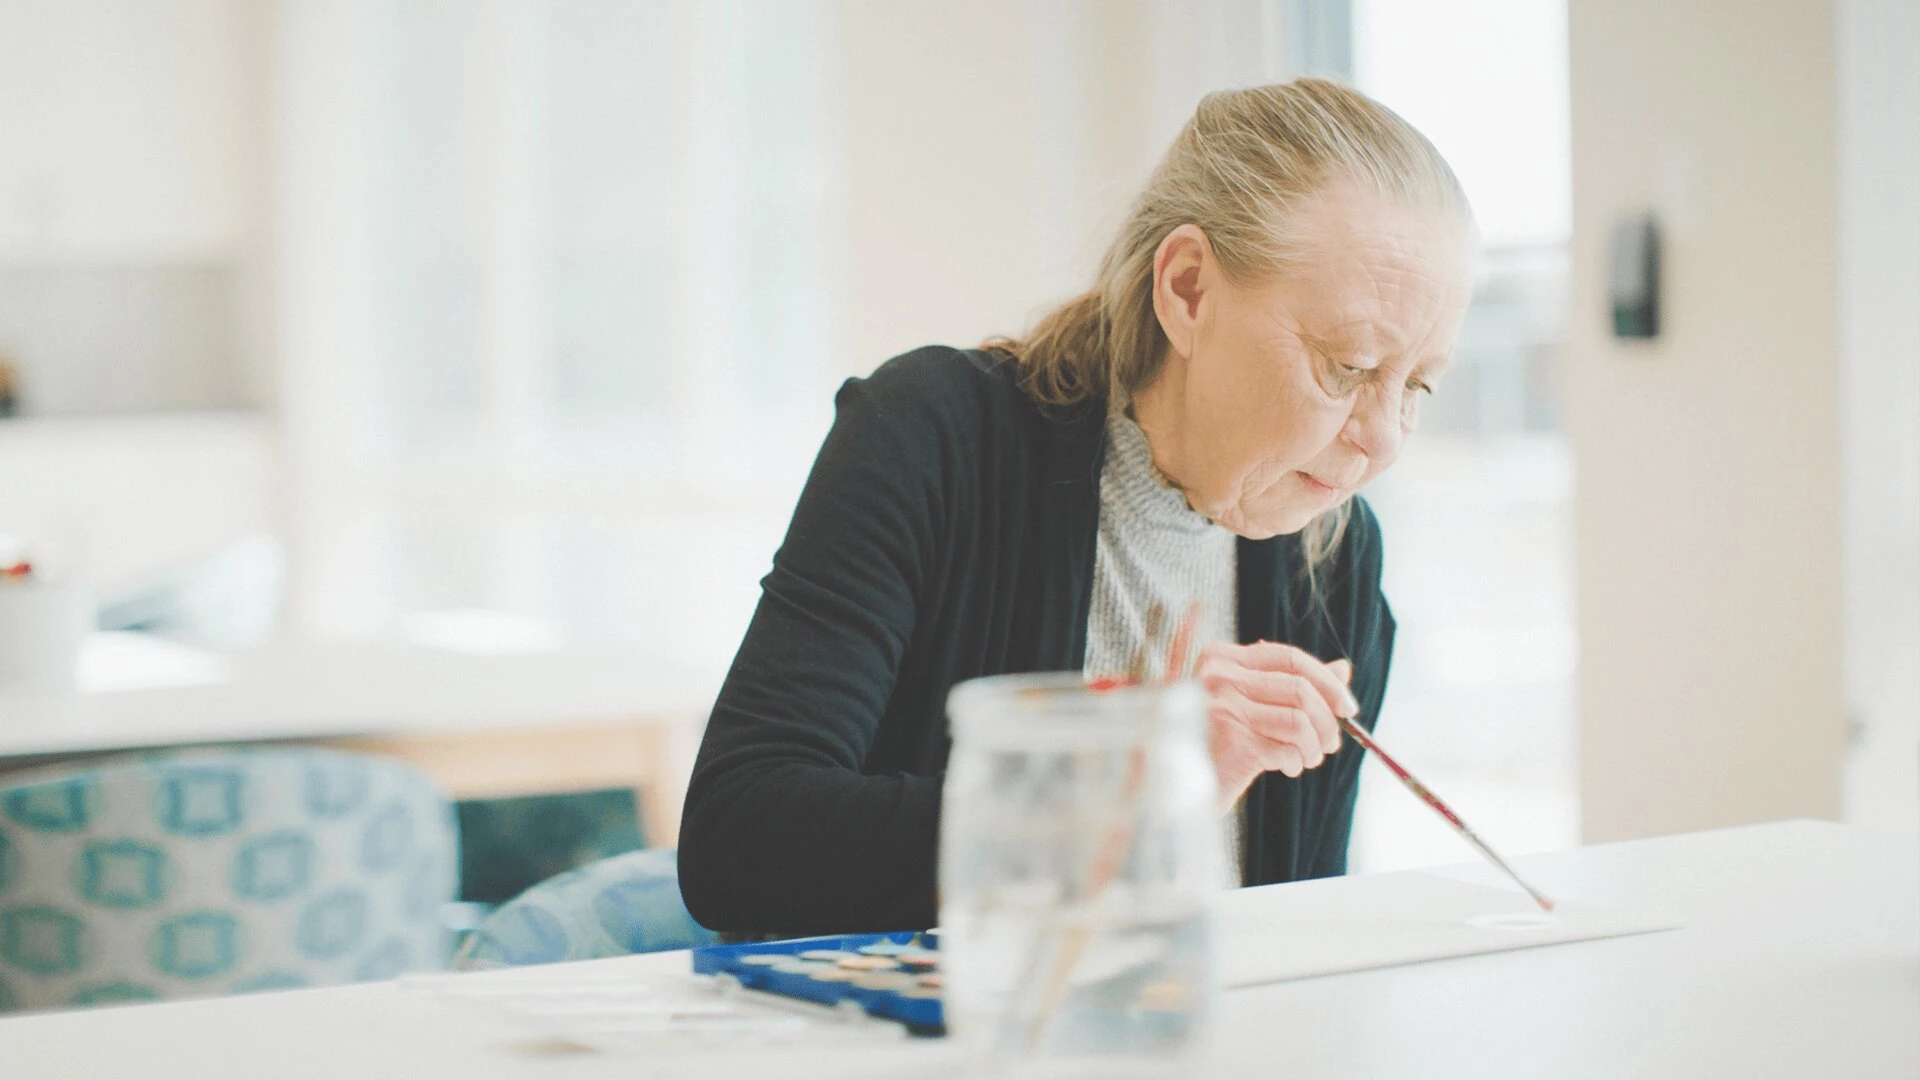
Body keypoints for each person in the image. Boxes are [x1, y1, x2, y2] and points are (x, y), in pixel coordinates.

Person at [678, 78, 1476, 935]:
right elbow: (739, 843)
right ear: (1189, 289)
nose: (1384, 438)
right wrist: (1128, 786)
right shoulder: (932, 436)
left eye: (1417, 384)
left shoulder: (1337, 559)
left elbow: (1283, 937)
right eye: (1349, 366)